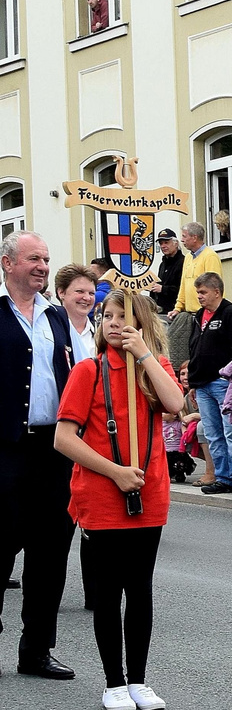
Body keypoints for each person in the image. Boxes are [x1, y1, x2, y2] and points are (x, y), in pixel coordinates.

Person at [54, 291, 184, 710]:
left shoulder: (154, 367)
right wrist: (114, 472)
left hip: (150, 491)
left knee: (140, 589)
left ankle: (140, 680)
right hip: (102, 494)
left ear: (142, 324)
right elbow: (64, 439)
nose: (112, 322)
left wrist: (144, 354)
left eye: (122, 317)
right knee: (108, 592)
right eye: (106, 316)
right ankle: (114, 682)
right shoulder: (87, 371)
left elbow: (176, 405)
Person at [0, 232, 90, 679]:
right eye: (34, 258)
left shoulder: (57, 319)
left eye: (47, 259)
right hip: (5, 449)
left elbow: (78, 377)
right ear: (8, 263)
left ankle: (36, 649)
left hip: (55, 449)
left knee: (51, 552)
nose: (42, 265)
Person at [55, 264, 100, 610]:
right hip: (61, 428)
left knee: (92, 514)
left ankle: (95, 591)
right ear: (61, 295)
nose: (86, 298)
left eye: (89, 292)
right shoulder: (51, 327)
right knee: (56, 516)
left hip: (94, 430)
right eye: (78, 292)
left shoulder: (99, 331)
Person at [186, 272, 232, 497]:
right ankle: (222, 477)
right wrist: (193, 381)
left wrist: (231, 377)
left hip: (223, 383)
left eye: (203, 292)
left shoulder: (230, 314)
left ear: (216, 292)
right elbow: (194, 348)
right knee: (213, 434)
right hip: (202, 384)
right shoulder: (199, 315)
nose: (200, 297)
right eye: (198, 293)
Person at [170, 222, 222, 371]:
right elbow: (183, 285)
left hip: (205, 315)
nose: (182, 240)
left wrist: (210, 312)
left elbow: (215, 286)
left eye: (184, 236)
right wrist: (178, 308)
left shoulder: (210, 256)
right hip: (190, 315)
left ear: (194, 237)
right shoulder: (187, 258)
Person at [55, 264, 98, 357]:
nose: (87, 298)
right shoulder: (50, 330)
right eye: (80, 291)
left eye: (91, 293)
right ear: (61, 292)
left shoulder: (100, 334)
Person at [149, 229, 184, 315]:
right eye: (161, 243)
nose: (163, 246)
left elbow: (182, 289)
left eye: (166, 242)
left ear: (176, 243)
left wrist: (163, 289)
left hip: (175, 311)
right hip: (161, 311)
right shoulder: (163, 264)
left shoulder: (183, 262)